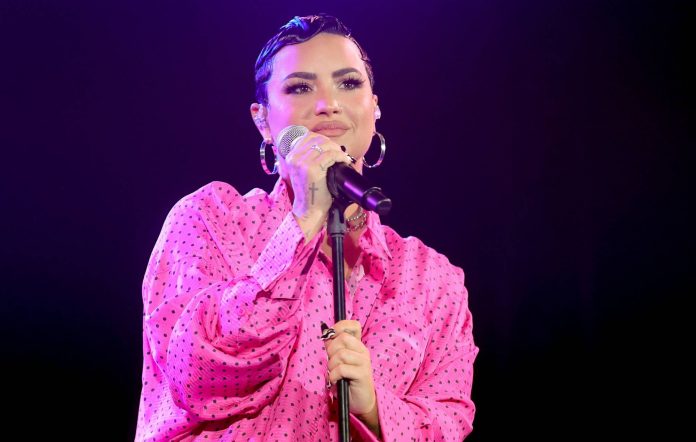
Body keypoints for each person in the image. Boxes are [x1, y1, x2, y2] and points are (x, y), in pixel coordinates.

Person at [135, 13, 478, 442]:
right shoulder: (211, 220)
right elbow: (199, 376)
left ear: (374, 108)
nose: (327, 104)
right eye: (300, 87)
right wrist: (304, 220)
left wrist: (374, 408)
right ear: (262, 120)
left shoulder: (431, 279)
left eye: (348, 83)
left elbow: (449, 419)